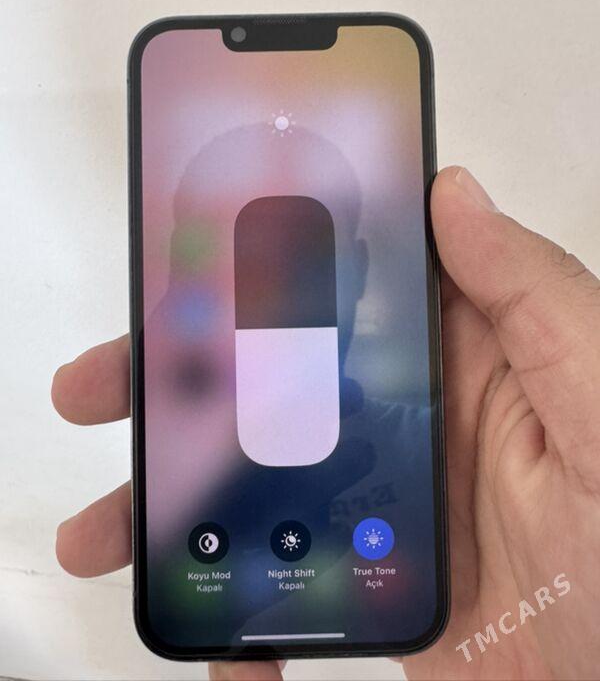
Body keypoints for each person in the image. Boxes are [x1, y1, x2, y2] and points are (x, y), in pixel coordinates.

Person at [52, 167, 600, 681]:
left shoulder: (453, 449)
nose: (274, 297)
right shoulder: (188, 475)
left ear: (355, 268)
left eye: (304, 263)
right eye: (244, 266)